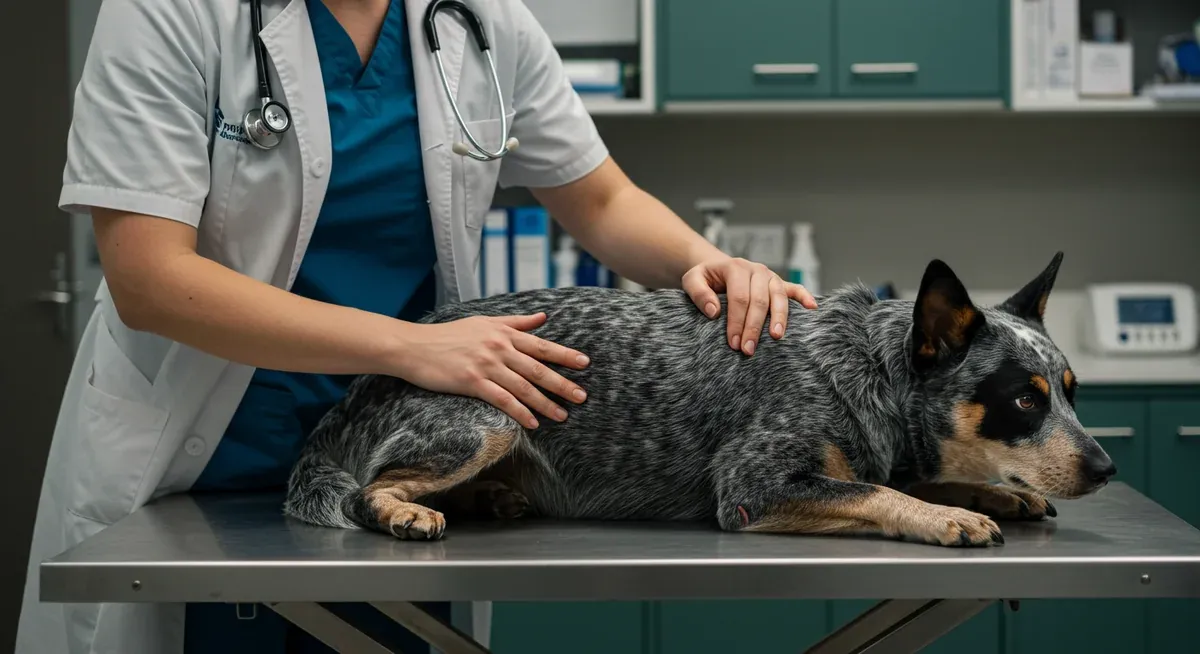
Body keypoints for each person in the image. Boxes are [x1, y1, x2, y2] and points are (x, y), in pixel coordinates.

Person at [16, 0, 817, 651]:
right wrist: (413, 345)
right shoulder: (173, 13)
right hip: (212, 464)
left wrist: (701, 260)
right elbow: (150, 279)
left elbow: (599, 199)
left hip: (411, 459)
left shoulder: (483, 21)